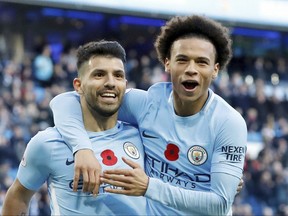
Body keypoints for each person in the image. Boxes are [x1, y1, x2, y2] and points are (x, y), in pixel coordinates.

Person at [49, 15, 247, 215]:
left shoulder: (228, 123)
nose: (191, 70)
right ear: (167, 63)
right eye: (182, 60)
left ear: (215, 69)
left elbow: (220, 204)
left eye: (202, 62)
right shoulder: (147, 104)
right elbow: (65, 101)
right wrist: (82, 149)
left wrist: (149, 187)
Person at [2, 40, 147, 215]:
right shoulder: (47, 143)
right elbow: (18, 196)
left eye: (118, 75)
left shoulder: (142, 136)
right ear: (78, 85)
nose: (111, 82)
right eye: (99, 75)